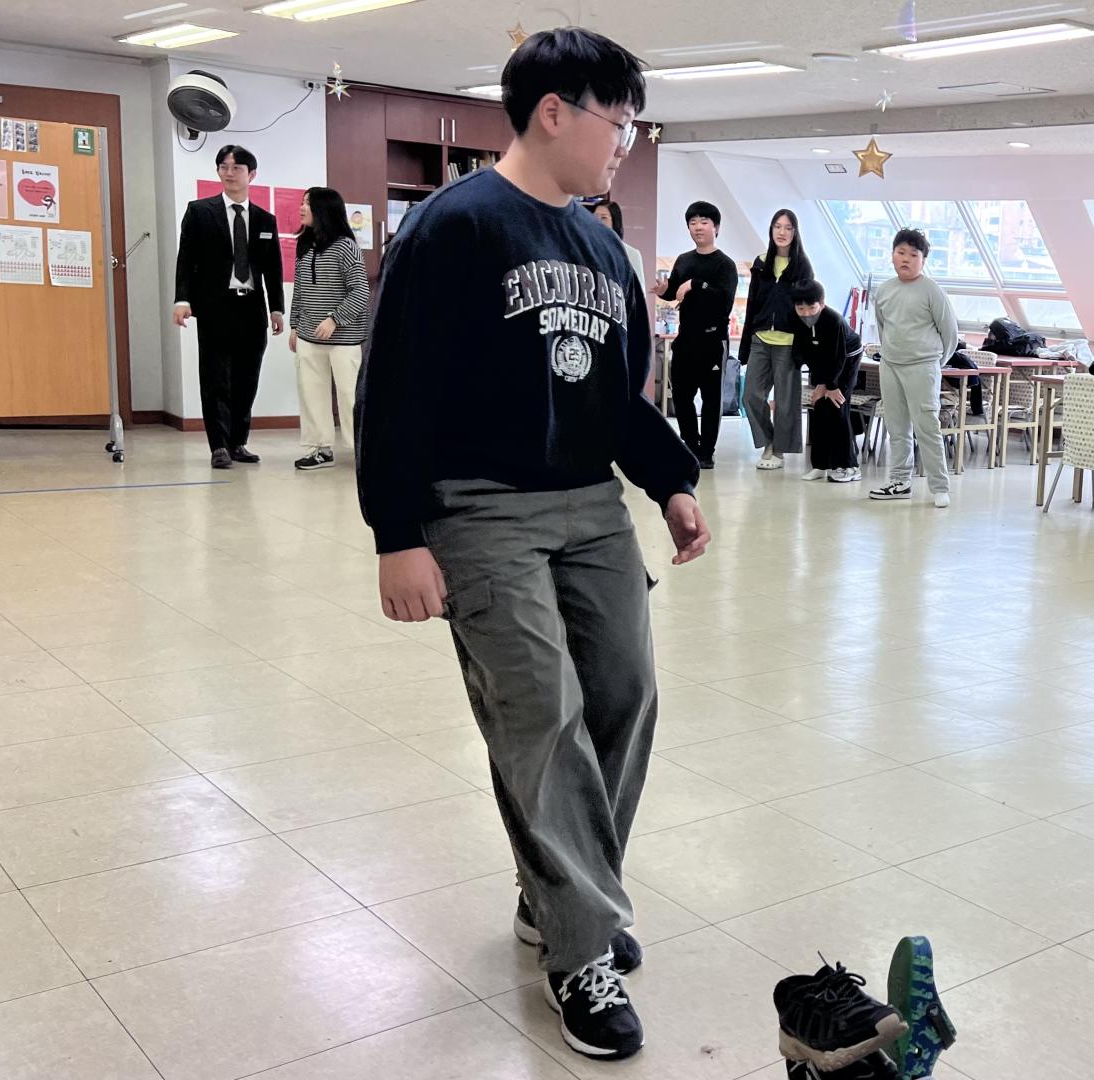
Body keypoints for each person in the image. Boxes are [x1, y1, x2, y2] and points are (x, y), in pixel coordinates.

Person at [354, 27, 709, 1063]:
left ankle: (558, 892)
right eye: (619, 121)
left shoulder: (603, 250)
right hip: (478, 509)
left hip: (590, 504)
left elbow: (620, 401)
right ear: (554, 111)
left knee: (624, 694)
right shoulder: (453, 228)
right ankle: (580, 946)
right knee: (539, 714)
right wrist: (398, 535)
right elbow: (394, 390)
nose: (627, 143)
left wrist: (672, 481)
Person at [173, 144, 284, 470]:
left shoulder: (265, 219)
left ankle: (238, 442)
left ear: (252, 174)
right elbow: (186, 259)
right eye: (224, 167)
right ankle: (219, 445)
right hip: (215, 308)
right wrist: (182, 299)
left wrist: (277, 308)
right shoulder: (200, 212)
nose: (229, 173)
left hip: (252, 309)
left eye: (236, 168)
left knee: (247, 379)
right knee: (215, 378)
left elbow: (273, 268)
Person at [868, 228, 958, 508]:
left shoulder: (932, 291)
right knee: (896, 427)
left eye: (913, 254)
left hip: (923, 366)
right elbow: (883, 328)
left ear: (923, 260)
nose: (906, 259)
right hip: (890, 365)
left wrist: (933, 364)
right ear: (892, 255)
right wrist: (890, 354)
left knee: (927, 427)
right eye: (901, 252)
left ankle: (939, 486)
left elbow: (950, 335)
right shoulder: (884, 290)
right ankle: (899, 482)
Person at [287, 186, 370, 471]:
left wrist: (335, 319)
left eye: (308, 204)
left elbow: (360, 291)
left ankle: (363, 451)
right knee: (311, 394)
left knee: (349, 396)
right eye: (302, 202)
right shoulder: (304, 245)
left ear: (324, 210)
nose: (302, 208)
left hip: (343, 338)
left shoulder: (346, 247)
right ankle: (319, 449)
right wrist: (295, 325)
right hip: (308, 336)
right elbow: (300, 290)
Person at [659, 200, 738, 469]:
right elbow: (674, 292)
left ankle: (707, 451)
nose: (698, 227)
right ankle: (691, 445)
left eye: (704, 222)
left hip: (713, 340)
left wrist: (696, 284)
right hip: (686, 339)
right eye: (693, 223)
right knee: (681, 396)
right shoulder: (684, 260)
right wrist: (664, 290)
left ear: (716, 227)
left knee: (711, 399)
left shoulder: (725, 264)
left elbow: (724, 302)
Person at [739, 209, 813, 470]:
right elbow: (751, 304)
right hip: (760, 338)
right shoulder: (761, 263)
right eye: (777, 226)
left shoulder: (802, 266)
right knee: (750, 396)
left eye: (788, 228)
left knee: (785, 402)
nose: (782, 232)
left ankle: (779, 451)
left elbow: (808, 309)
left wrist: (805, 348)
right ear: (771, 230)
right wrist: (746, 343)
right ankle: (769, 441)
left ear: (795, 233)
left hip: (788, 343)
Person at [791, 279, 863, 483]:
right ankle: (820, 465)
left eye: (811, 308)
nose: (806, 313)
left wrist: (831, 386)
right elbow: (806, 353)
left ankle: (850, 467)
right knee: (819, 407)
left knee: (837, 407)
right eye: (801, 308)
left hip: (847, 359)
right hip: (823, 361)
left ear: (821, 304)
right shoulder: (796, 319)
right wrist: (819, 384)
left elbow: (838, 357)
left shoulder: (834, 321)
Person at [588, 197, 645, 292]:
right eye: (595, 217)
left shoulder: (631, 254)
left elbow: (640, 291)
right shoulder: (584, 250)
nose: (598, 221)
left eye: (604, 218)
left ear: (615, 222)